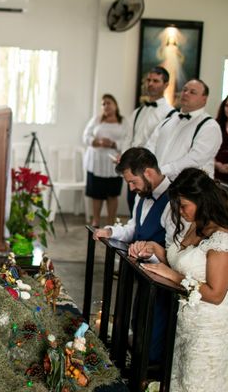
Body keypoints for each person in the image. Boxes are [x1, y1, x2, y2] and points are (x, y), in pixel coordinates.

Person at [130, 168, 228, 391]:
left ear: (202, 200)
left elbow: (216, 294)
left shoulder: (221, 238)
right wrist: (155, 249)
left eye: (184, 205)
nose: (180, 212)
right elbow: (184, 261)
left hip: (210, 326)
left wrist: (172, 275)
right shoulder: (192, 225)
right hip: (187, 319)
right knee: (181, 378)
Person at [93, 147, 179, 363]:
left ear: (148, 173)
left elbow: (177, 252)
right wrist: (110, 231)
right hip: (142, 278)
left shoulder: (173, 202)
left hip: (163, 285)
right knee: (138, 326)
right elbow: (134, 228)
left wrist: (149, 253)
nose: (131, 188)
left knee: (154, 338)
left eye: (132, 182)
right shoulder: (143, 195)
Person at [146, 79, 222, 181]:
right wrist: (148, 167)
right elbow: (151, 145)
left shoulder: (209, 126)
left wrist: (161, 171)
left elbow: (195, 159)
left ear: (204, 99)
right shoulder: (168, 121)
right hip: (158, 183)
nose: (186, 93)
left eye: (192, 92)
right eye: (184, 90)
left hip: (189, 190)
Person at [124, 67, 173, 211]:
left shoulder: (170, 113)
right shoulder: (138, 111)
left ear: (165, 85)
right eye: (149, 80)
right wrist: (125, 157)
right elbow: (129, 137)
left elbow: (162, 144)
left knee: (148, 210)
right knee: (132, 206)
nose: (151, 84)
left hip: (149, 171)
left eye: (156, 81)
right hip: (132, 169)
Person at [82, 94, 128, 227]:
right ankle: (95, 219)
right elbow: (86, 136)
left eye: (109, 103)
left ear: (115, 104)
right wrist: (96, 141)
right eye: (103, 104)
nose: (106, 106)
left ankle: (110, 221)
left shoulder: (123, 121)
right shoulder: (97, 119)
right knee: (96, 194)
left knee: (112, 194)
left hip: (114, 162)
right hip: (96, 162)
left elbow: (128, 139)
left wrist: (114, 144)